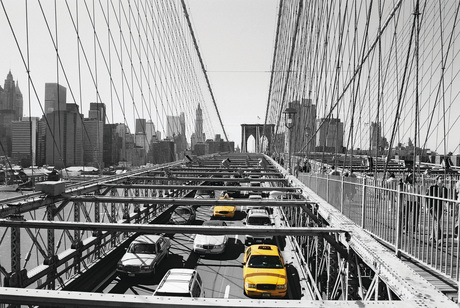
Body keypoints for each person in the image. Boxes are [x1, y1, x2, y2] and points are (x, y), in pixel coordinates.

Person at [426, 175, 449, 243]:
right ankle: (437, 238)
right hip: (433, 207)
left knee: (436, 221)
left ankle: (431, 237)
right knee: (436, 221)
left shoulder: (445, 189)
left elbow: (446, 199)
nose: (442, 180)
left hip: (440, 207)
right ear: (437, 180)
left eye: (442, 178)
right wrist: (427, 207)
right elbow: (428, 197)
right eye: (440, 178)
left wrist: (447, 208)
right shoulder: (432, 187)